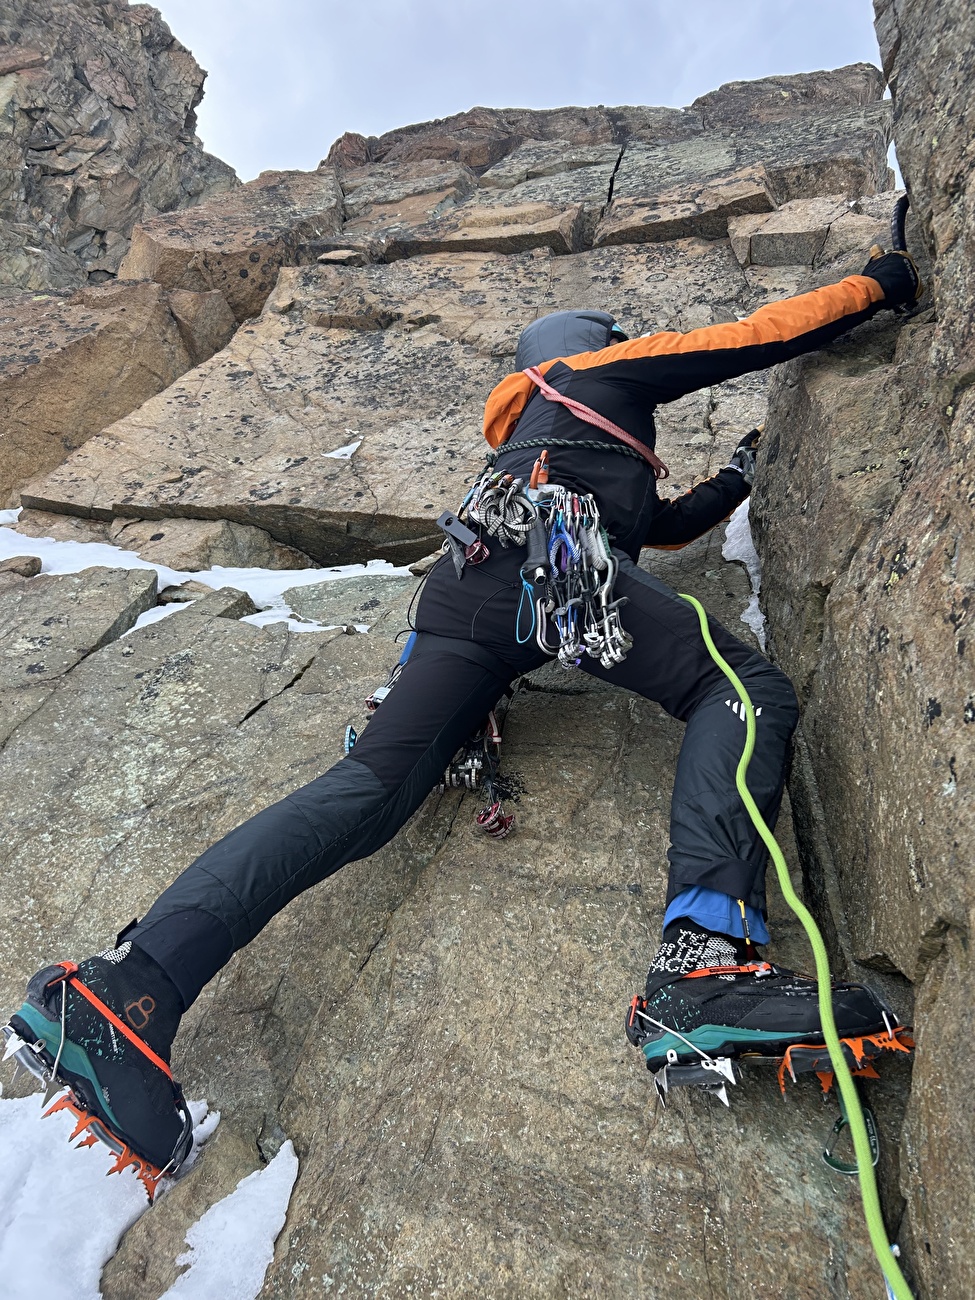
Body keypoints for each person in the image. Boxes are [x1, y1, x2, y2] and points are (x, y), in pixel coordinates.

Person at [4, 248, 923, 1194]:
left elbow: (657, 525)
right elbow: (756, 337)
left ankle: (128, 992)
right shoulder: (593, 376)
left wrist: (737, 477)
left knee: (366, 792)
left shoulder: (545, 432)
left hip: (467, 594)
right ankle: (703, 966)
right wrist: (883, 284)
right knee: (739, 688)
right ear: (592, 347)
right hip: (552, 572)